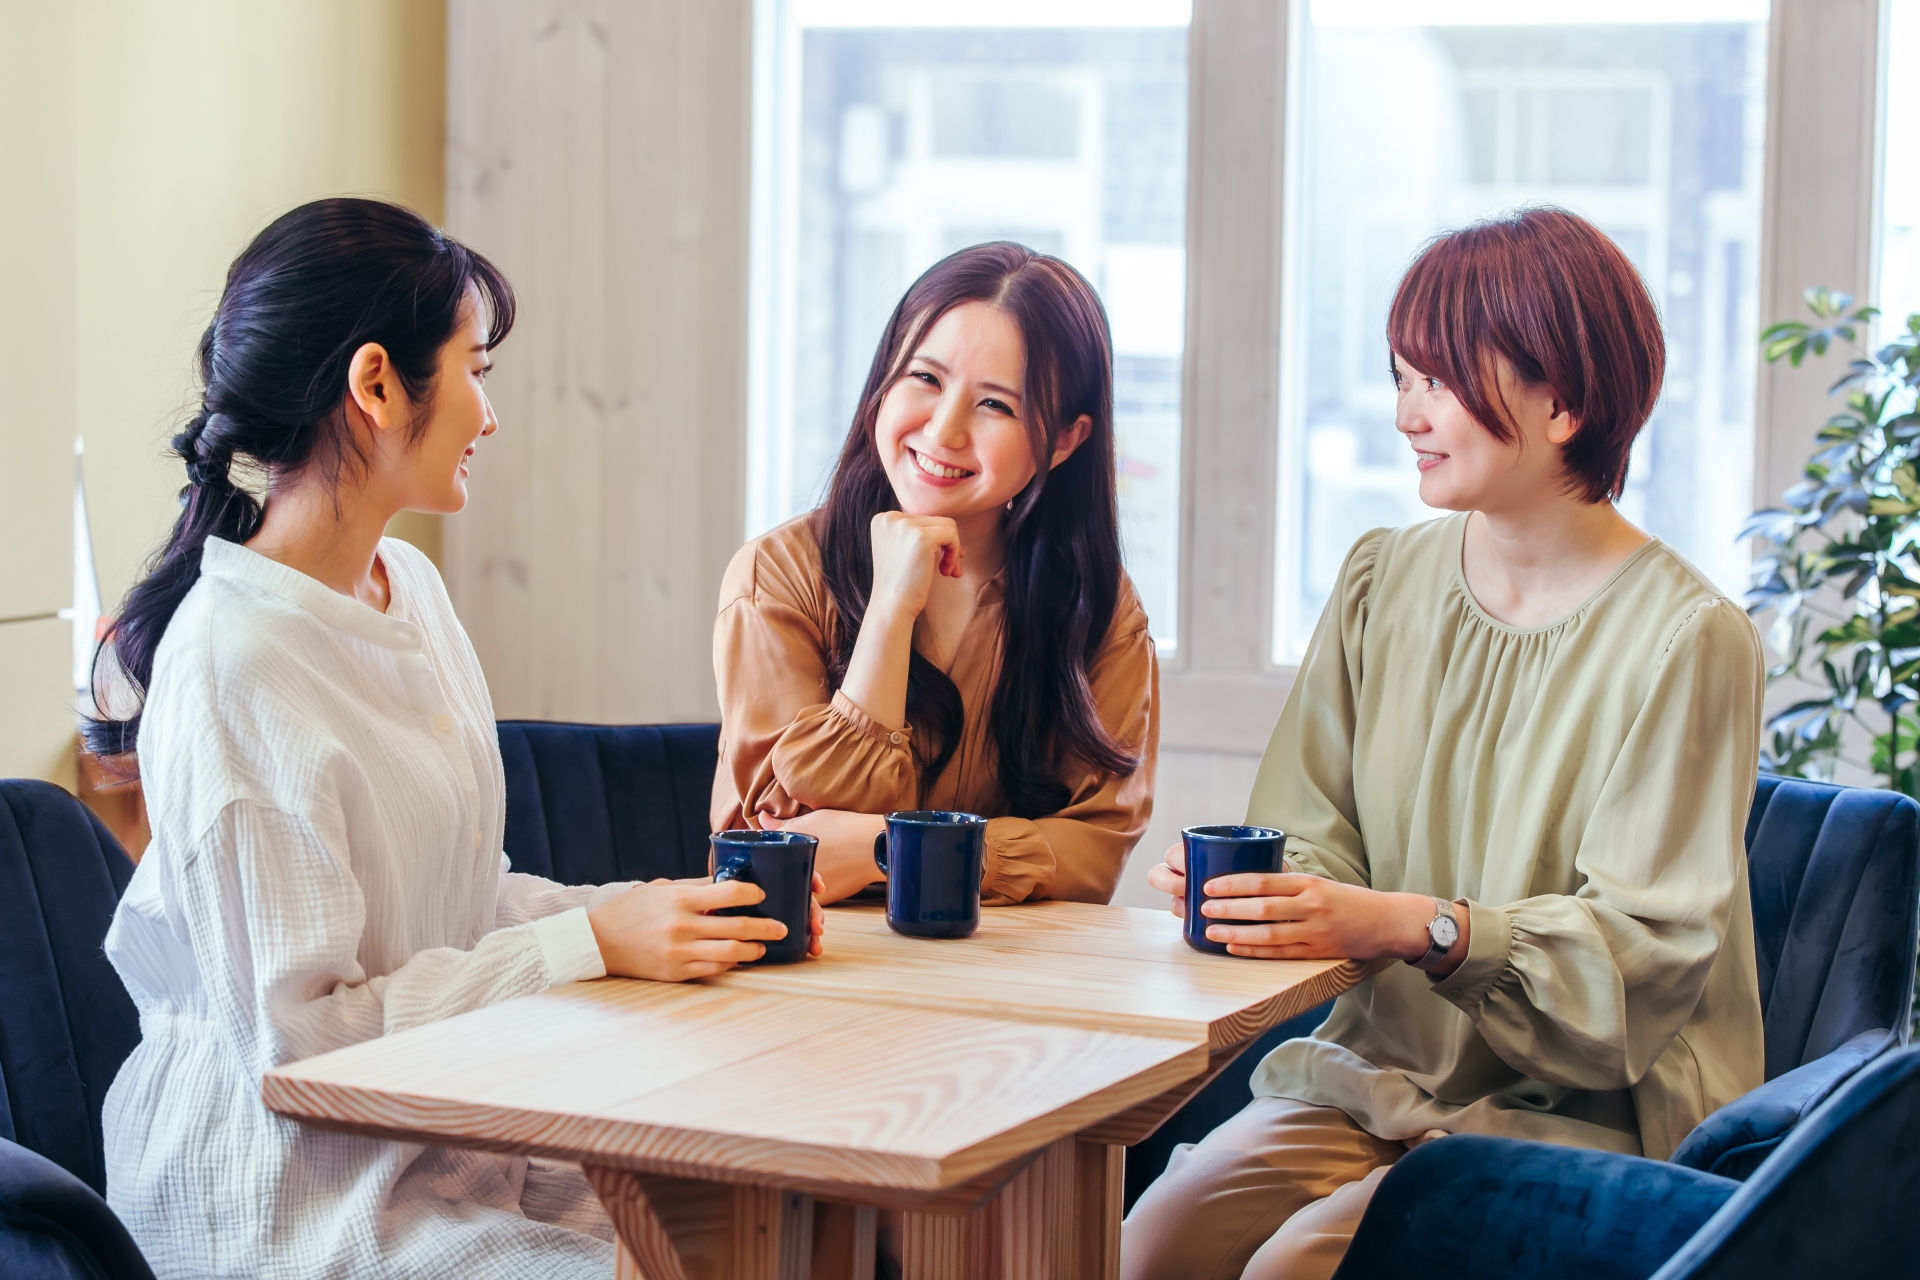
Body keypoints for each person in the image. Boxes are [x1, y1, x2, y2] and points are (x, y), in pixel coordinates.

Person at [93, 198, 818, 1280]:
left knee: (747, 1220)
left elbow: (460, 905)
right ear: (377, 383)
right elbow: (301, 1043)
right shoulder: (230, 666)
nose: (489, 412)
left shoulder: (410, 591)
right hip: (288, 1187)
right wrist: (590, 943)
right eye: (476, 368)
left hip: (444, 1129)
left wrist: (640, 911)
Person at [1123, 208, 1766, 1280]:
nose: (1406, 415)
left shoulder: (1688, 639)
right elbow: (1314, 832)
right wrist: (1268, 894)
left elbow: (1636, 966)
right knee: (1147, 1244)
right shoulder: (1383, 580)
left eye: (1439, 381)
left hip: (1585, 1114)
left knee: (1294, 1268)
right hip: (1378, 1072)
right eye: (1402, 377)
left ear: (1562, 401)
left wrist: (1422, 926)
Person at [712, 242, 1159, 905]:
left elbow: (1092, 855)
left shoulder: (1098, 605)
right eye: (924, 378)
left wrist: (884, 848)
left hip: (1001, 980)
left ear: (1064, 440)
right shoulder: (777, 575)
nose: (945, 429)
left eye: (996, 406)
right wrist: (891, 606)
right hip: (807, 974)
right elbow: (796, 852)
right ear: (884, 380)